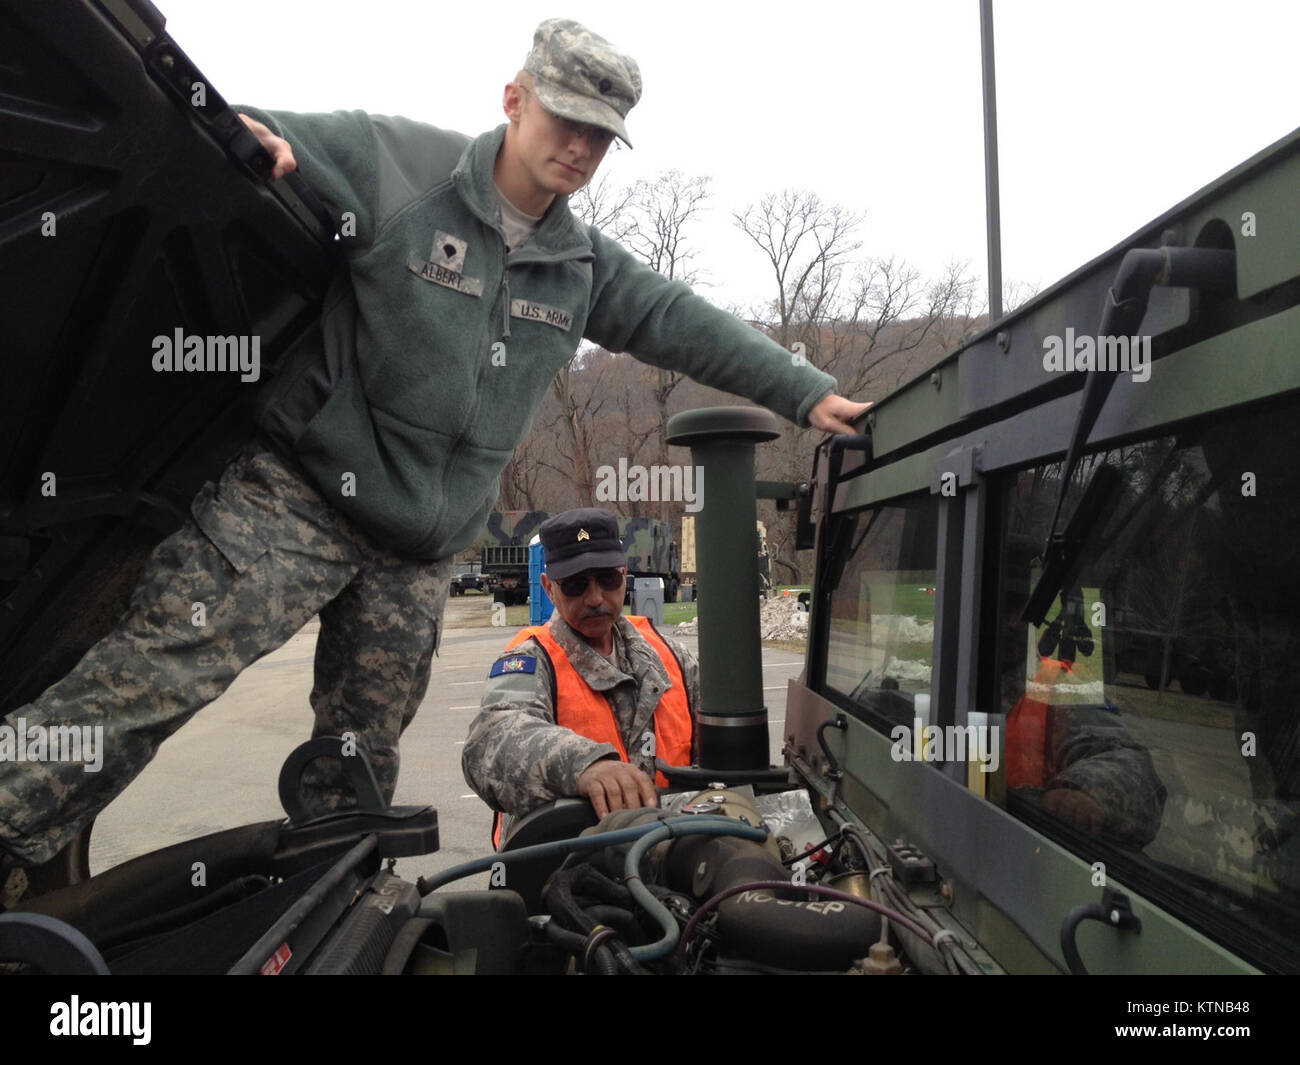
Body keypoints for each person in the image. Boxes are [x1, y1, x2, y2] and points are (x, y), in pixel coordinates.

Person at [0, 18, 867, 871]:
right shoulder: (401, 168)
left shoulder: (578, 263)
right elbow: (236, 129)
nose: (580, 148)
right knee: (156, 675)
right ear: (514, 98)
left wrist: (806, 390)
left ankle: (329, 893)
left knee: (359, 759)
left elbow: (683, 322)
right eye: (565, 119)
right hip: (301, 498)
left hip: (420, 550)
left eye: (601, 137)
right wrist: (245, 133)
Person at [462, 509, 696, 845]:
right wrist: (584, 765)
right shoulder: (531, 659)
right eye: (575, 584)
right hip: (566, 875)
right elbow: (488, 745)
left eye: (607, 579)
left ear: (624, 573)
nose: (595, 598)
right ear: (549, 588)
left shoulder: (673, 657)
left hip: (673, 866)